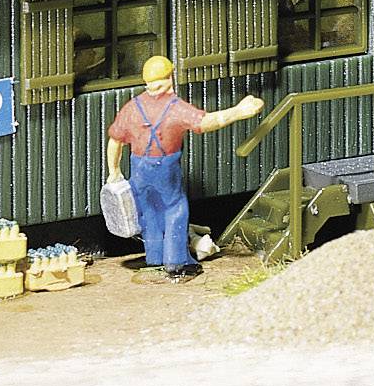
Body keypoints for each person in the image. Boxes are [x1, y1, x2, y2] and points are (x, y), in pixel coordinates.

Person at [103, 56, 263, 281]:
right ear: (170, 78)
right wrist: (238, 111)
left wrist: (114, 171)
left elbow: (115, 141)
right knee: (174, 209)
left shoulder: (132, 107)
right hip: (165, 167)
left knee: (148, 211)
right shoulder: (174, 108)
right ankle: (177, 262)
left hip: (139, 167)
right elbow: (205, 122)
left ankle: (154, 257)